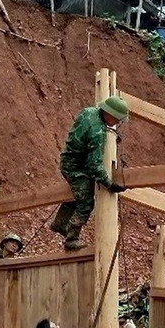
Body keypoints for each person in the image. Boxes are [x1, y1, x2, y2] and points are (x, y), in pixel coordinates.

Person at [50, 96, 129, 251]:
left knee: (76, 194)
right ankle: (72, 238)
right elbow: (95, 165)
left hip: (69, 159)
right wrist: (109, 184)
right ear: (110, 115)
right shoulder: (98, 133)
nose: (118, 123)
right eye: (117, 119)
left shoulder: (89, 112)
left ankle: (60, 223)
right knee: (86, 202)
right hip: (76, 167)